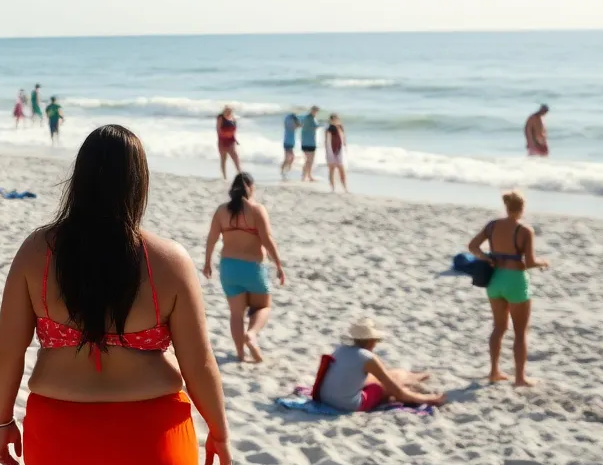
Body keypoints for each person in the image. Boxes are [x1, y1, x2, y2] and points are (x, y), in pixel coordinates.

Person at [0, 125, 232, 465]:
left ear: (79, 178)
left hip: (60, 435)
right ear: (139, 182)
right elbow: (199, 363)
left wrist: (2, 422)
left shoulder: (36, 252)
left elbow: (7, 351)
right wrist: (219, 432)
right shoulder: (170, 260)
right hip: (153, 436)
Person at [467, 190, 549, 387]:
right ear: (522, 208)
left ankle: (494, 371)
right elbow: (529, 262)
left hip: (495, 280)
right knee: (520, 332)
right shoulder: (524, 230)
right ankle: (520, 378)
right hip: (515, 281)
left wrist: (487, 258)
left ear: (506, 206)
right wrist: (543, 262)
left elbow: (472, 246)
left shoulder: (493, 226)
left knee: (499, 327)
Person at [202, 173, 285, 362]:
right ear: (251, 188)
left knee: (236, 314)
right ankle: (252, 334)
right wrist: (278, 264)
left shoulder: (222, 211)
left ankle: (240, 354)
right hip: (253, 267)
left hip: (229, 268)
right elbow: (267, 239)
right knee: (263, 306)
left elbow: (212, 238)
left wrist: (207, 263)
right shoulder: (256, 210)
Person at [316, 319, 447, 411]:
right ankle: (413, 377)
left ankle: (413, 376)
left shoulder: (341, 349)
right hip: (348, 405)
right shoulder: (367, 357)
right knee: (392, 380)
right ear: (372, 341)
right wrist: (426, 399)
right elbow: (398, 393)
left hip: (325, 398)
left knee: (389, 375)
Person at [215, 106, 240, 180]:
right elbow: (218, 130)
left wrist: (235, 139)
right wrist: (221, 141)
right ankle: (224, 177)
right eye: (227, 111)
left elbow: (234, 131)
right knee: (223, 159)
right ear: (224, 111)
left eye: (230, 111)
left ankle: (240, 174)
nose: (228, 112)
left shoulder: (233, 119)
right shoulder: (220, 118)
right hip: (222, 141)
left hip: (231, 141)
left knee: (235, 157)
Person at [325, 113, 348, 193]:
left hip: (340, 150)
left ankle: (345, 188)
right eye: (333, 120)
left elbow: (343, 139)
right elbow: (326, 141)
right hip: (331, 150)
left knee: (341, 169)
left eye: (335, 119)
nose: (334, 121)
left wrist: (345, 148)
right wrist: (326, 153)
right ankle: (332, 188)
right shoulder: (329, 129)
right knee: (332, 169)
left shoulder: (341, 128)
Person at [298, 106, 321, 182]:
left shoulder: (305, 117)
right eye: (315, 111)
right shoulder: (311, 118)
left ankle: (307, 175)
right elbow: (315, 127)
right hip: (308, 142)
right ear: (312, 110)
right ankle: (305, 176)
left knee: (309, 160)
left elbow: (299, 123)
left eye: (316, 111)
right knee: (309, 160)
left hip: (308, 141)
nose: (315, 112)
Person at [281, 112, 300, 179]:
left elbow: (298, 126)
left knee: (291, 158)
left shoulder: (290, 120)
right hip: (287, 142)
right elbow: (297, 126)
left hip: (290, 142)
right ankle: (283, 171)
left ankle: (285, 171)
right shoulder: (289, 120)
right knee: (288, 158)